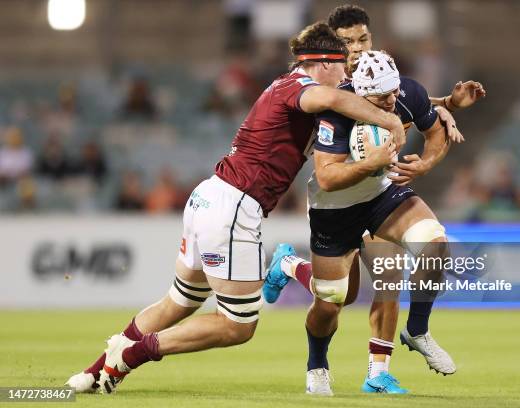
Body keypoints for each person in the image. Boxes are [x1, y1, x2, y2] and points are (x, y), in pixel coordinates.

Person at [66, 21, 407, 394]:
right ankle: (130, 355)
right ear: (324, 63)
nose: (347, 75)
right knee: (238, 325)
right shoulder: (301, 86)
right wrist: (388, 119)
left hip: (211, 198)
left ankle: (98, 371)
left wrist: (438, 107)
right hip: (233, 207)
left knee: (178, 302)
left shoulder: (287, 85)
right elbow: (329, 99)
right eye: (342, 66)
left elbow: (360, 102)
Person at [262, 4, 485, 394]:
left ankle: (384, 366)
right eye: (348, 43)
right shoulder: (319, 91)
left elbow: (395, 97)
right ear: (333, 49)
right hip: (336, 203)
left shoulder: (387, 80)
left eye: (363, 38)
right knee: (335, 299)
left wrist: (443, 106)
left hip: (382, 193)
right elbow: (331, 167)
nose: (358, 48)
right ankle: (292, 270)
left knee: (400, 267)